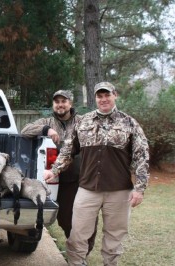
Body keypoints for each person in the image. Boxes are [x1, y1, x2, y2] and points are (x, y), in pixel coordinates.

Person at [44, 82, 150, 266]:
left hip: (119, 191)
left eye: (107, 95)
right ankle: (76, 263)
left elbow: (142, 156)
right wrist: (54, 170)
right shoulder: (83, 122)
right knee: (77, 234)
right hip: (87, 189)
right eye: (99, 96)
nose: (103, 99)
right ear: (95, 99)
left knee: (114, 236)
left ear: (114, 95)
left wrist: (139, 189)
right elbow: (68, 150)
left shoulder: (129, 122)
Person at [21, 90, 96, 253]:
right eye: (57, 102)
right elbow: (25, 130)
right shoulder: (47, 121)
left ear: (70, 104)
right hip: (57, 181)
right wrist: (46, 130)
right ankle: (77, 249)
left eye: (64, 101)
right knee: (64, 219)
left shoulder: (82, 122)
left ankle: (84, 251)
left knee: (87, 216)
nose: (60, 104)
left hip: (81, 179)